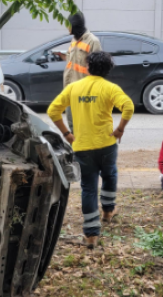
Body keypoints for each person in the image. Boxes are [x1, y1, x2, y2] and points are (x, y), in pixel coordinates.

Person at [47, 52, 134, 250]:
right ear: (108, 69)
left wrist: (67, 134)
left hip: (82, 147)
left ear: (87, 67)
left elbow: (53, 110)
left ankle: (91, 234)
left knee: (88, 188)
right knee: (110, 174)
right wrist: (120, 129)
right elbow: (128, 107)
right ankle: (108, 211)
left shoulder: (74, 88)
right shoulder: (110, 88)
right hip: (107, 144)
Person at [62, 12, 101, 130]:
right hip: (70, 91)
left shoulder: (93, 41)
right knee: (72, 125)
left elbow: (98, 69)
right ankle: (75, 147)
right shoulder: (73, 40)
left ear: (75, 25)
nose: (67, 28)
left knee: (84, 126)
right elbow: (73, 63)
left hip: (84, 94)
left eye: (69, 25)